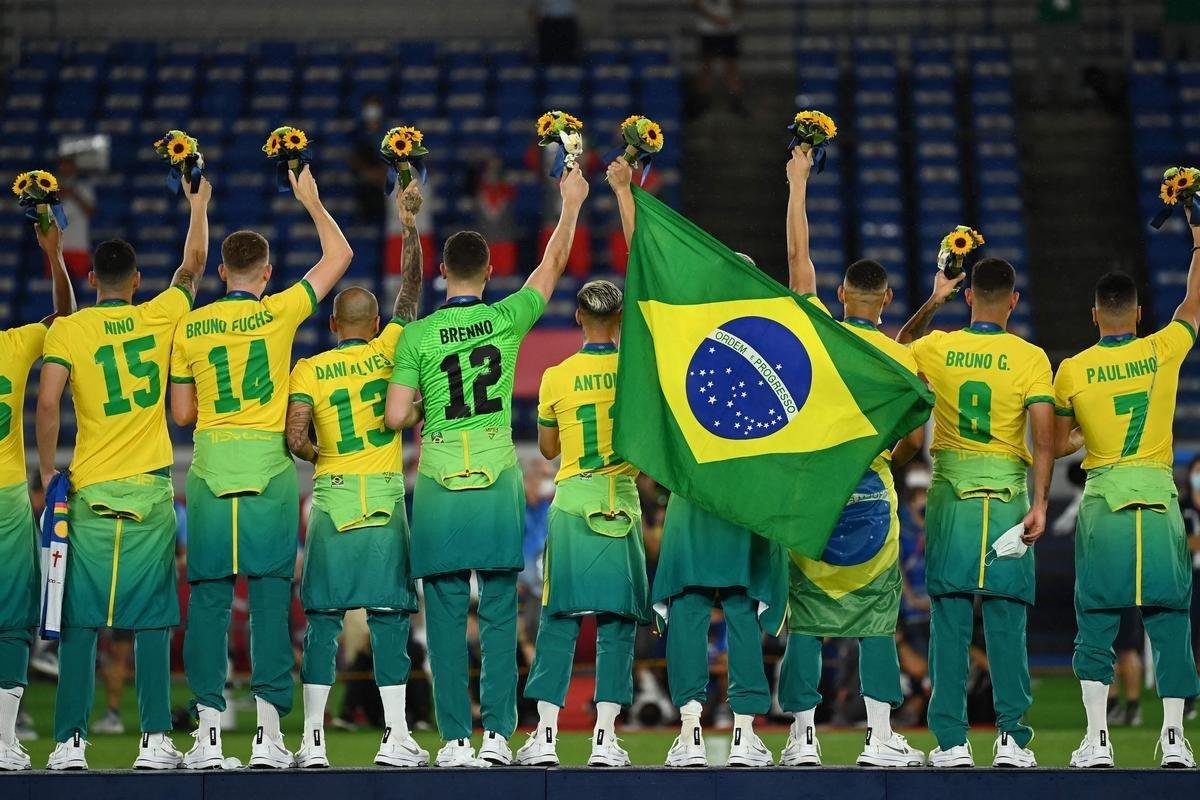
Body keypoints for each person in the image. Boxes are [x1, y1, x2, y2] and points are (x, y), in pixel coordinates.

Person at [383, 167, 589, 767]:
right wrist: (570, 203)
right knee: (500, 609)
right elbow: (550, 268)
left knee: (445, 613)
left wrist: (420, 400)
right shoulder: (506, 319)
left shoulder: (417, 336)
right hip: (498, 476)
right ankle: (499, 735)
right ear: (490, 273)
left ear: (443, 274)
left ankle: (454, 740)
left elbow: (396, 419)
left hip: (442, 481)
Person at [169, 166, 353, 769]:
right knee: (274, 605)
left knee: (210, 605)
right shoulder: (279, 311)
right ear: (267, 273)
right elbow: (340, 254)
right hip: (271, 474)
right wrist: (311, 199)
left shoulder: (188, 326)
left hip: (212, 467)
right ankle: (271, 738)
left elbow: (181, 411)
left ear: (222, 272)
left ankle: (206, 737)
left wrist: (199, 205)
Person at [609, 154, 788, 768]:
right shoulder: (774, 343)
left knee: (687, 605)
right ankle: (741, 732)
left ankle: (688, 733)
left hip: (692, 492)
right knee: (739, 605)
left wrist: (625, 194)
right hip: (743, 495)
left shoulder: (690, 340)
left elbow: (643, 272)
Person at [36, 178, 211, 770]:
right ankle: (155, 740)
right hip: (150, 490)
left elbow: (48, 401)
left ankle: (68, 744)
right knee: (153, 619)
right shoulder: (161, 314)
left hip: (90, 489)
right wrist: (198, 205)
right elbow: (192, 266)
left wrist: (45, 473)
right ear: (137, 283)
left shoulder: (69, 330)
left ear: (93, 282)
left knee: (83, 620)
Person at [285, 180, 427, 768]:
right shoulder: (392, 345)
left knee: (322, 622)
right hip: (386, 500)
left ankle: (313, 739)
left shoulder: (310, 369)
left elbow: (296, 439)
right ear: (372, 324)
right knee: (391, 620)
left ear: (335, 323)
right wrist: (411, 226)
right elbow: (412, 292)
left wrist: (327, 458)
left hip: (333, 499)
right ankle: (395, 736)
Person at [897, 256, 1054, 768]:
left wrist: (931, 301)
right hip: (1009, 495)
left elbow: (894, 349)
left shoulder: (938, 345)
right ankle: (1012, 738)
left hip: (952, 496)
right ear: (1013, 300)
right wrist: (1042, 502)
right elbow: (1046, 437)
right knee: (1007, 621)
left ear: (968, 298)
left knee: (950, 620)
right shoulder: (1031, 357)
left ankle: (952, 743)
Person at [775, 249, 926, 767]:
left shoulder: (820, 333)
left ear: (840, 295)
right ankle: (880, 736)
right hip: (871, 490)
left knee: (808, 618)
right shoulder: (900, 357)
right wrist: (887, 453)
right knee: (877, 619)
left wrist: (797, 186)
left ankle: (802, 738)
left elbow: (799, 263)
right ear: (886, 298)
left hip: (814, 491)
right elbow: (913, 440)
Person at [1053, 263, 1200, 768]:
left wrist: (1084, 436)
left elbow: (1054, 443)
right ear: (1138, 314)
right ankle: (1177, 738)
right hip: (1159, 500)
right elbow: (1193, 306)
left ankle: (1097, 740)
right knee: (1171, 622)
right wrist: (1198, 235)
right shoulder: (1162, 349)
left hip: (1105, 502)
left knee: (1095, 621)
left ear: (1094, 316)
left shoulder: (1072, 368)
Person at [514, 279, 651, 768]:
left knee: (558, 620)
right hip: (623, 505)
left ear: (578, 319)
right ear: (619, 321)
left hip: (573, 503)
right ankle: (606, 738)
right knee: (617, 625)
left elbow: (548, 450)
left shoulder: (556, 376)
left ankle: (546, 735)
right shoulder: (638, 373)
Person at [0, 220, 76, 771]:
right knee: (11, 621)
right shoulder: (12, 344)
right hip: (6, 504)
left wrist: (54, 256)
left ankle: (6, 737)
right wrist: (55, 258)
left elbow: (66, 323)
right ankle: (4, 740)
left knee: (11, 621)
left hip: (7, 501)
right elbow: (67, 322)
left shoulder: (15, 342)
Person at [693, 0, 746, 115]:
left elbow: (740, 4)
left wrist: (730, 17)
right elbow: (696, 4)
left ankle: (736, 100)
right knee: (706, 66)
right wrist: (714, 18)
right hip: (707, 28)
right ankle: (701, 101)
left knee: (731, 66)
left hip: (729, 28)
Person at [55, 157, 96, 278]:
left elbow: (90, 211)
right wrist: (61, 194)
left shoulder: (84, 187)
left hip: (79, 246)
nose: (65, 169)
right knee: (56, 287)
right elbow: (42, 213)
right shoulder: (50, 189)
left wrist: (73, 194)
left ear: (74, 168)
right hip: (56, 247)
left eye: (68, 166)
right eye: (63, 166)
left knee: (80, 282)